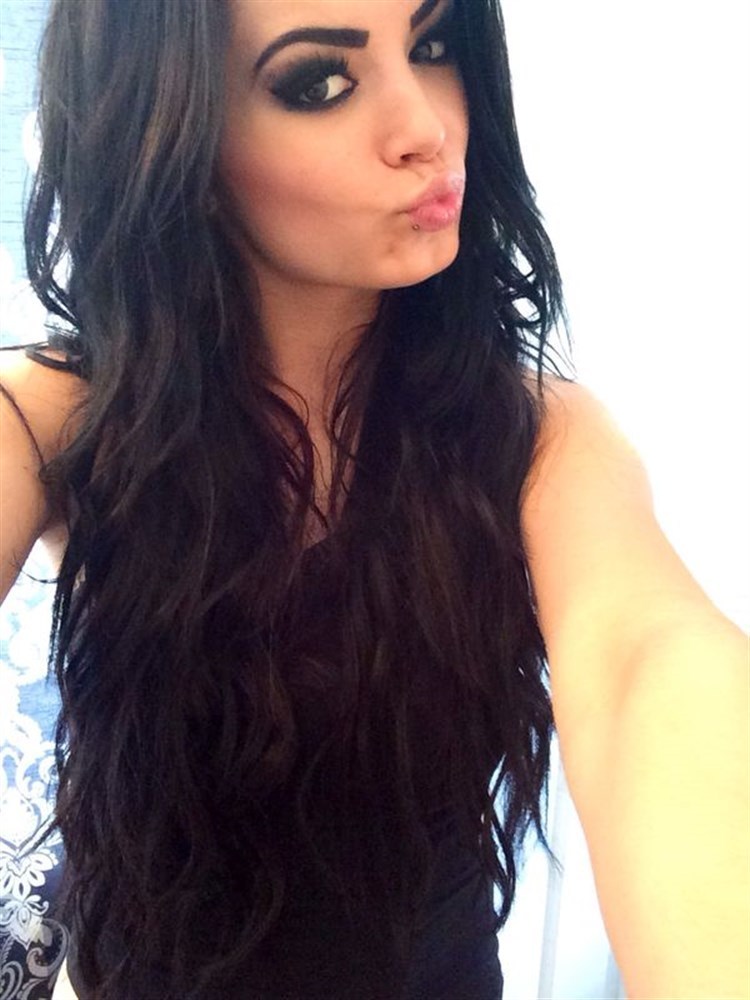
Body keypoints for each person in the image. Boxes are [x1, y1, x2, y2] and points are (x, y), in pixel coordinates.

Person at [0, 0, 747, 997]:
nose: (426, 128)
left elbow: (645, 661)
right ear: (174, 135)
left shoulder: (538, 437)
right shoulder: (59, 416)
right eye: (319, 82)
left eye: (432, 46)